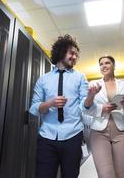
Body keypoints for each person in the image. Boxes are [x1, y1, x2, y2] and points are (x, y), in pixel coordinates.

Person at [29, 34, 97, 178]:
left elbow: (85, 107)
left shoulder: (80, 78)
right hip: (47, 136)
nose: (74, 57)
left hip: (73, 135)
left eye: (76, 55)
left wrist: (90, 96)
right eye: (72, 53)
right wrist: (49, 103)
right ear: (61, 52)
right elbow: (34, 108)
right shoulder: (43, 79)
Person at [83, 55, 124, 178]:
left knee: (122, 174)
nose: (104, 66)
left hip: (121, 131)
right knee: (105, 174)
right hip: (99, 132)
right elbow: (86, 109)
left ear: (113, 65)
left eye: (107, 63)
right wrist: (98, 104)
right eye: (101, 64)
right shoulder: (93, 85)